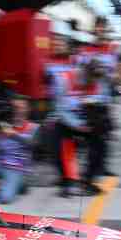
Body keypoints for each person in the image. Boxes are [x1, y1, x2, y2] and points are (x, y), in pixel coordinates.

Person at [45, 34, 99, 197]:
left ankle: (85, 181)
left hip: (80, 116)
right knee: (61, 148)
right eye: (55, 44)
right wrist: (74, 122)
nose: (58, 46)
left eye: (61, 43)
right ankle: (68, 181)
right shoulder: (52, 68)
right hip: (63, 117)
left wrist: (85, 119)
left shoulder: (83, 71)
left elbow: (91, 96)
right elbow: (58, 102)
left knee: (95, 146)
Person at [75, 17, 119, 176]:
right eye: (98, 27)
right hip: (90, 101)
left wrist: (107, 73)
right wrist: (90, 70)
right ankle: (89, 175)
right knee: (92, 140)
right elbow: (78, 76)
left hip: (105, 101)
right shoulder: (84, 50)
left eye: (103, 28)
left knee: (104, 137)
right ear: (94, 30)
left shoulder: (112, 50)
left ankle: (102, 168)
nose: (100, 30)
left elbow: (116, 76)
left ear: (106, 30)